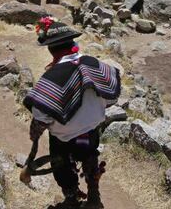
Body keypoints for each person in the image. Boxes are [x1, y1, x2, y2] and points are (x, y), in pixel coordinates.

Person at [23, 17, 122, 209]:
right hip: (90, 130)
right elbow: (111, 96)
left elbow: (42, 116)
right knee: (89, 155)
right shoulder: (94, 64)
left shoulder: (51, 78)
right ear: (72, 43)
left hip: (63, 137)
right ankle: (94, 194)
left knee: (61, 163)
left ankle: (71, 198)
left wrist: (34, 133)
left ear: (51, 49)